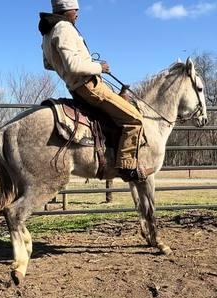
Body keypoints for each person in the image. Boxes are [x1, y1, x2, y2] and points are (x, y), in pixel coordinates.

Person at [38, 0, 152, 181]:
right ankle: (126, 166)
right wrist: (99, 67)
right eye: (75, 10)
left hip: (75, 87)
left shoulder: (48, 32)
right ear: (67, 10)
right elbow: (73, 66)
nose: (77, 14)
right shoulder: (64, 28)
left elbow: (47, 64)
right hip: (88, 86)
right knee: (134, 119)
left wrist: (66, 68)